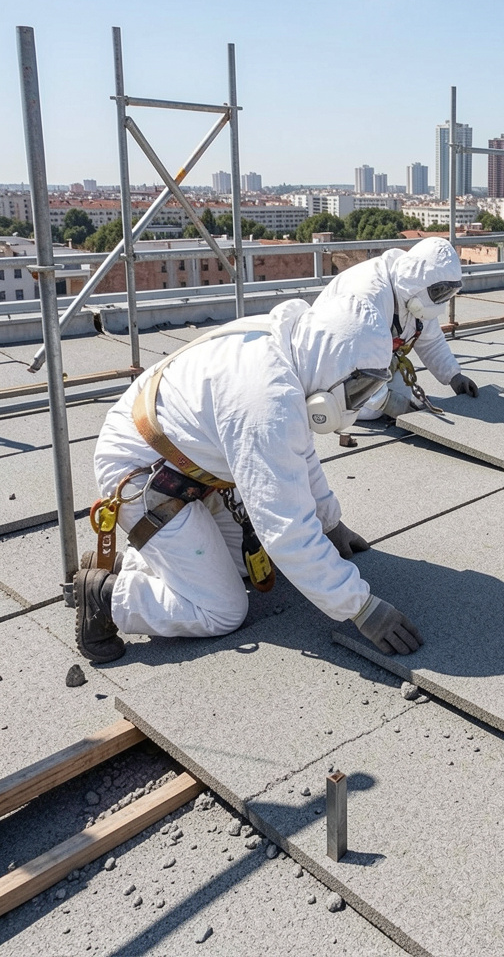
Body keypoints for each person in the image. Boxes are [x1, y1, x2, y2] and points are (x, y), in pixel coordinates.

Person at [74, 297, 423, 664]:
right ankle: (108, 598)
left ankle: (134, 562)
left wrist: (330, 523)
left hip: (186, 469)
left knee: (250, 565)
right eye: (358, 389)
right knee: (223, 611)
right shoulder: (265, 400)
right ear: (335, 366)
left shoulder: (295, 353)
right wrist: (361, 607)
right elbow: (286, 531)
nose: (356, 403)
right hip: (143, 478)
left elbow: (300, 453)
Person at [312, 237, 477, 419]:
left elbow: (431, 341)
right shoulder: (368, 300)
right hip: (331, 363)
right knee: (371, 410)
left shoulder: (417, 292)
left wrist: (454, 376)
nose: (442, 298)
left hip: (369, 358)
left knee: (403, 394)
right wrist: (388, 403)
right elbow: (349, 361)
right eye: (441, 292)